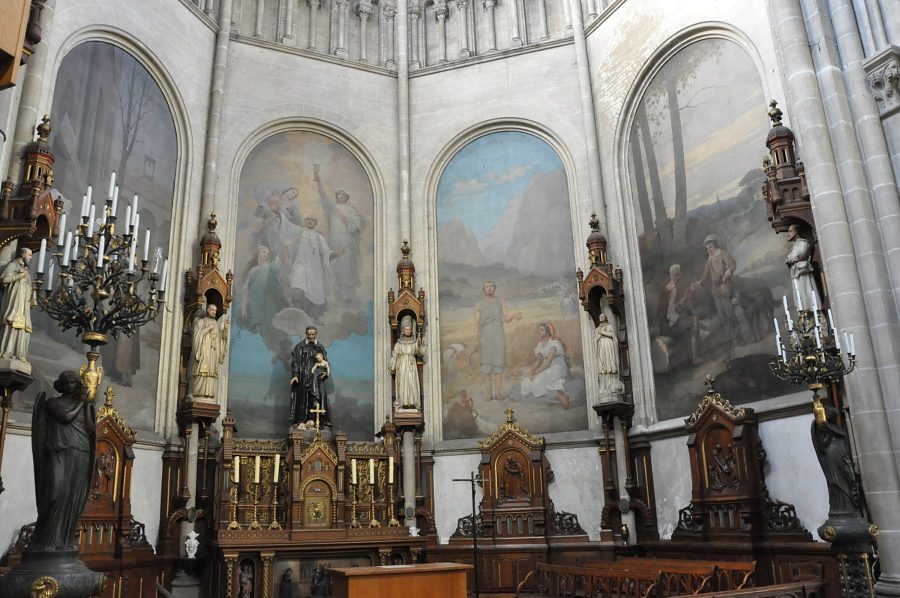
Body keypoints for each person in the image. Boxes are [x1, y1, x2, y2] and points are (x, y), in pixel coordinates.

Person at [29, 371, 95, 551]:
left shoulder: (82, 405)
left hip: (80, 451)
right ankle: (45, 540)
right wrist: (82, 402)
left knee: (73, 497)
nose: (70, 385)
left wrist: (88, 406)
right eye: (66, 382)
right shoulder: (53, 402)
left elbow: (89, 429)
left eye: (74, 382)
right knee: (54, 493)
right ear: (60, 384)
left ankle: (64, 541)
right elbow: (66, 418)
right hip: (59, 451)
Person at [315, 164, 365, 304]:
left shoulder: (351, 209)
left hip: (347, 241)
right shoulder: (332, 208)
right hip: (335, 240)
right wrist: (318, 180)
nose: (341, 196)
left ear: (347, 197)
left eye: (343, 194)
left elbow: (355, 227)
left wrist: (346, 218)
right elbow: (324, 198)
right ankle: (337, 296)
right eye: (339, 194)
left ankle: (348, 296)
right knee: (335, 265)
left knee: (347, 265)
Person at [474, 281, 521, 402]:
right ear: (483, 289)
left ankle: (498, 393)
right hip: (485, 336)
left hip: (498, 335)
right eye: (487, 287)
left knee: (498, 363)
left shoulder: (501, 302)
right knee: (487, 364)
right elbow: (477, 324)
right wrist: (476, 340)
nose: (489, 289)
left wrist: (514, 315)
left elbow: (506, 318)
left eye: (491, 286)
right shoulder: (480, 305)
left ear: (494, 288)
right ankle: (488, 394)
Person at [811, 405, 860, 516]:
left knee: (848, 477)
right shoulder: (822, 427)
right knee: (836, 482)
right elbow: (823, 446)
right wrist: (825, 431)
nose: (833, 417)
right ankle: (842, 508)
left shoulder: (836, 427)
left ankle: (850, 505)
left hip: (841, 454)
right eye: (831, 415)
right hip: (831, 455)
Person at [284, 216, 332, 320]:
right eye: (308, 219)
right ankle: (297, 316)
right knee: (298, 283)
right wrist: (288, 246)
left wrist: (335, 254)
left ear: (315, 223)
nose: (310, 221)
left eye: (312, 220)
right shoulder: (299, 234)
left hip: (315, 268)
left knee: (315, 290)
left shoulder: (319, 237)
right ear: (305, 221)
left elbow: (326, 251)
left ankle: (314, 317)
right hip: (300, 263)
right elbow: (292, 246)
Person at [240, 245, 287, 351]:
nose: (265, 254)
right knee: (261, 327)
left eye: (267, 253)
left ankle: (278, 348)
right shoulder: (253, 271)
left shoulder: (271, 267)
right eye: (263, 252)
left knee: (270, 324)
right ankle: (272, 348)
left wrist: (283, 248)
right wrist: (243, 305)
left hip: (269, 302)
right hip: (255, 303)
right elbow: (247, 289)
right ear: (258, 254)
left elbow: (279, 261)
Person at [520, 322, 570, 409]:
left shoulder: (554, 343)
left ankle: (562, 397)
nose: (539, 331)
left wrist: (535, 372)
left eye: (541, 330)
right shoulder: (540, 344)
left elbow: (548, 363)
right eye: (539, 330)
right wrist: (531, 372)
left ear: (547, 331)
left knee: (536, 382)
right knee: (527, 382)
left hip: (557, 367)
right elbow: (538, 361)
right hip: (547, 367)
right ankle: (558, 395)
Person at [692, 234, 737, 330]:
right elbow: (705, 275)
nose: (709, 250)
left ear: (715, 245)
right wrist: (699, 282)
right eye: (707, 248)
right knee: (721, 315)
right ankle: (729, 339)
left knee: (730, 313)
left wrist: (727, 273)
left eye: (710, 247)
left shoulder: (722, 254)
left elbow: (733, 264)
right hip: (716, 291)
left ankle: (738, 336)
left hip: (725, 287)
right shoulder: (709, 260)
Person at [659, 264, 700, 363]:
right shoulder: (674, 290)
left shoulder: (667, 287)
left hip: (664, 325)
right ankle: (695, 358)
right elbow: (670, 316)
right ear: (676, 275)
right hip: (669, 328)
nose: (681, 275)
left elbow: (671, 308)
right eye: (680, 273)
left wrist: (684, 299)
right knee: (694, 320)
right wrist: (681, 316)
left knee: (688, 318)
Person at [189, 304, 230, 403]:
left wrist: (225, 329)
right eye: (212, 310)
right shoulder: (201, 322)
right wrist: (207, 329)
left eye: (215, 311)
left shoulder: (216, 324)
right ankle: (197, 393)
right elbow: (196, 336)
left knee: (211, 373)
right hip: (204, 353)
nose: (214, 312)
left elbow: (221, 340)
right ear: (207, 310)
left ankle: (209, 395)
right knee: (201, 372)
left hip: (213, 354)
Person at [291, 326, 329, 426]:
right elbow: (295, 361)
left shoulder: (320, 347)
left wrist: (325, 372)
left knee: (315, 397)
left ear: (316, 334)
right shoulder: (299, 347)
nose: (311, 336)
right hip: (304, 376)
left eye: (313, 334)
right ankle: (301, 420)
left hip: (317, 377)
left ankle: (314, 420)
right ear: (306, 334)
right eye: (309, 334)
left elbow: (325, 361)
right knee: (303, 397)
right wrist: (295, 375)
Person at [0, 246, 34, 361]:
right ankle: (6, 352)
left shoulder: (26, 269)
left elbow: (29, 285)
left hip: (24, 304)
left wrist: (33, 297)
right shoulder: (13, 265)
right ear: (23, 254)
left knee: (24, 326)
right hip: (14, 301)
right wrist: (20, 275)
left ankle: (19, 354)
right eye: (29, 255)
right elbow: (4, 279)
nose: (31, 258)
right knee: (12, 322)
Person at [389, 316, 426, 410]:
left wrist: (419, 343)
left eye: (409, 329)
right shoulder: (398, 344)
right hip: (402, 367)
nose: (408, 331)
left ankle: (413, 403)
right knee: (403, 385)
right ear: (403, 330)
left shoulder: (414, 343)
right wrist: (392, 366)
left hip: (411, 366)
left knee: (412, 383)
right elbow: (394, 355)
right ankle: (403, 404)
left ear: (411, 330)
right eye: (406, 329)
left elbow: (420, 353)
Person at [786, 224, 819, 307]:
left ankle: (811, 309)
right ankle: (803, 312)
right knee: (799, 294)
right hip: (795, 273)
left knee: (806, 292)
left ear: (796, 232)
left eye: (790, 231)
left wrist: (789, 259)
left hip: (803, 272)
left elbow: (801, 255)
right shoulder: (794, 246)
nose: (788, 233)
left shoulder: (803, 243)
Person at [594, 314, 623, 398]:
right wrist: (598, 337)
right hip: (601, 350)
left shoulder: (609, 326)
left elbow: (613, 336)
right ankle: (604, 387)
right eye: (600, 316)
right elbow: (594, 340)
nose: (601, 317)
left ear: (606, 318)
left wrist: (603, 333)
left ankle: (612, 386)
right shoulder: (597, 329)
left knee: (610, 366)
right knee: (603, 368)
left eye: (603, 316)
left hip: (608, 349)